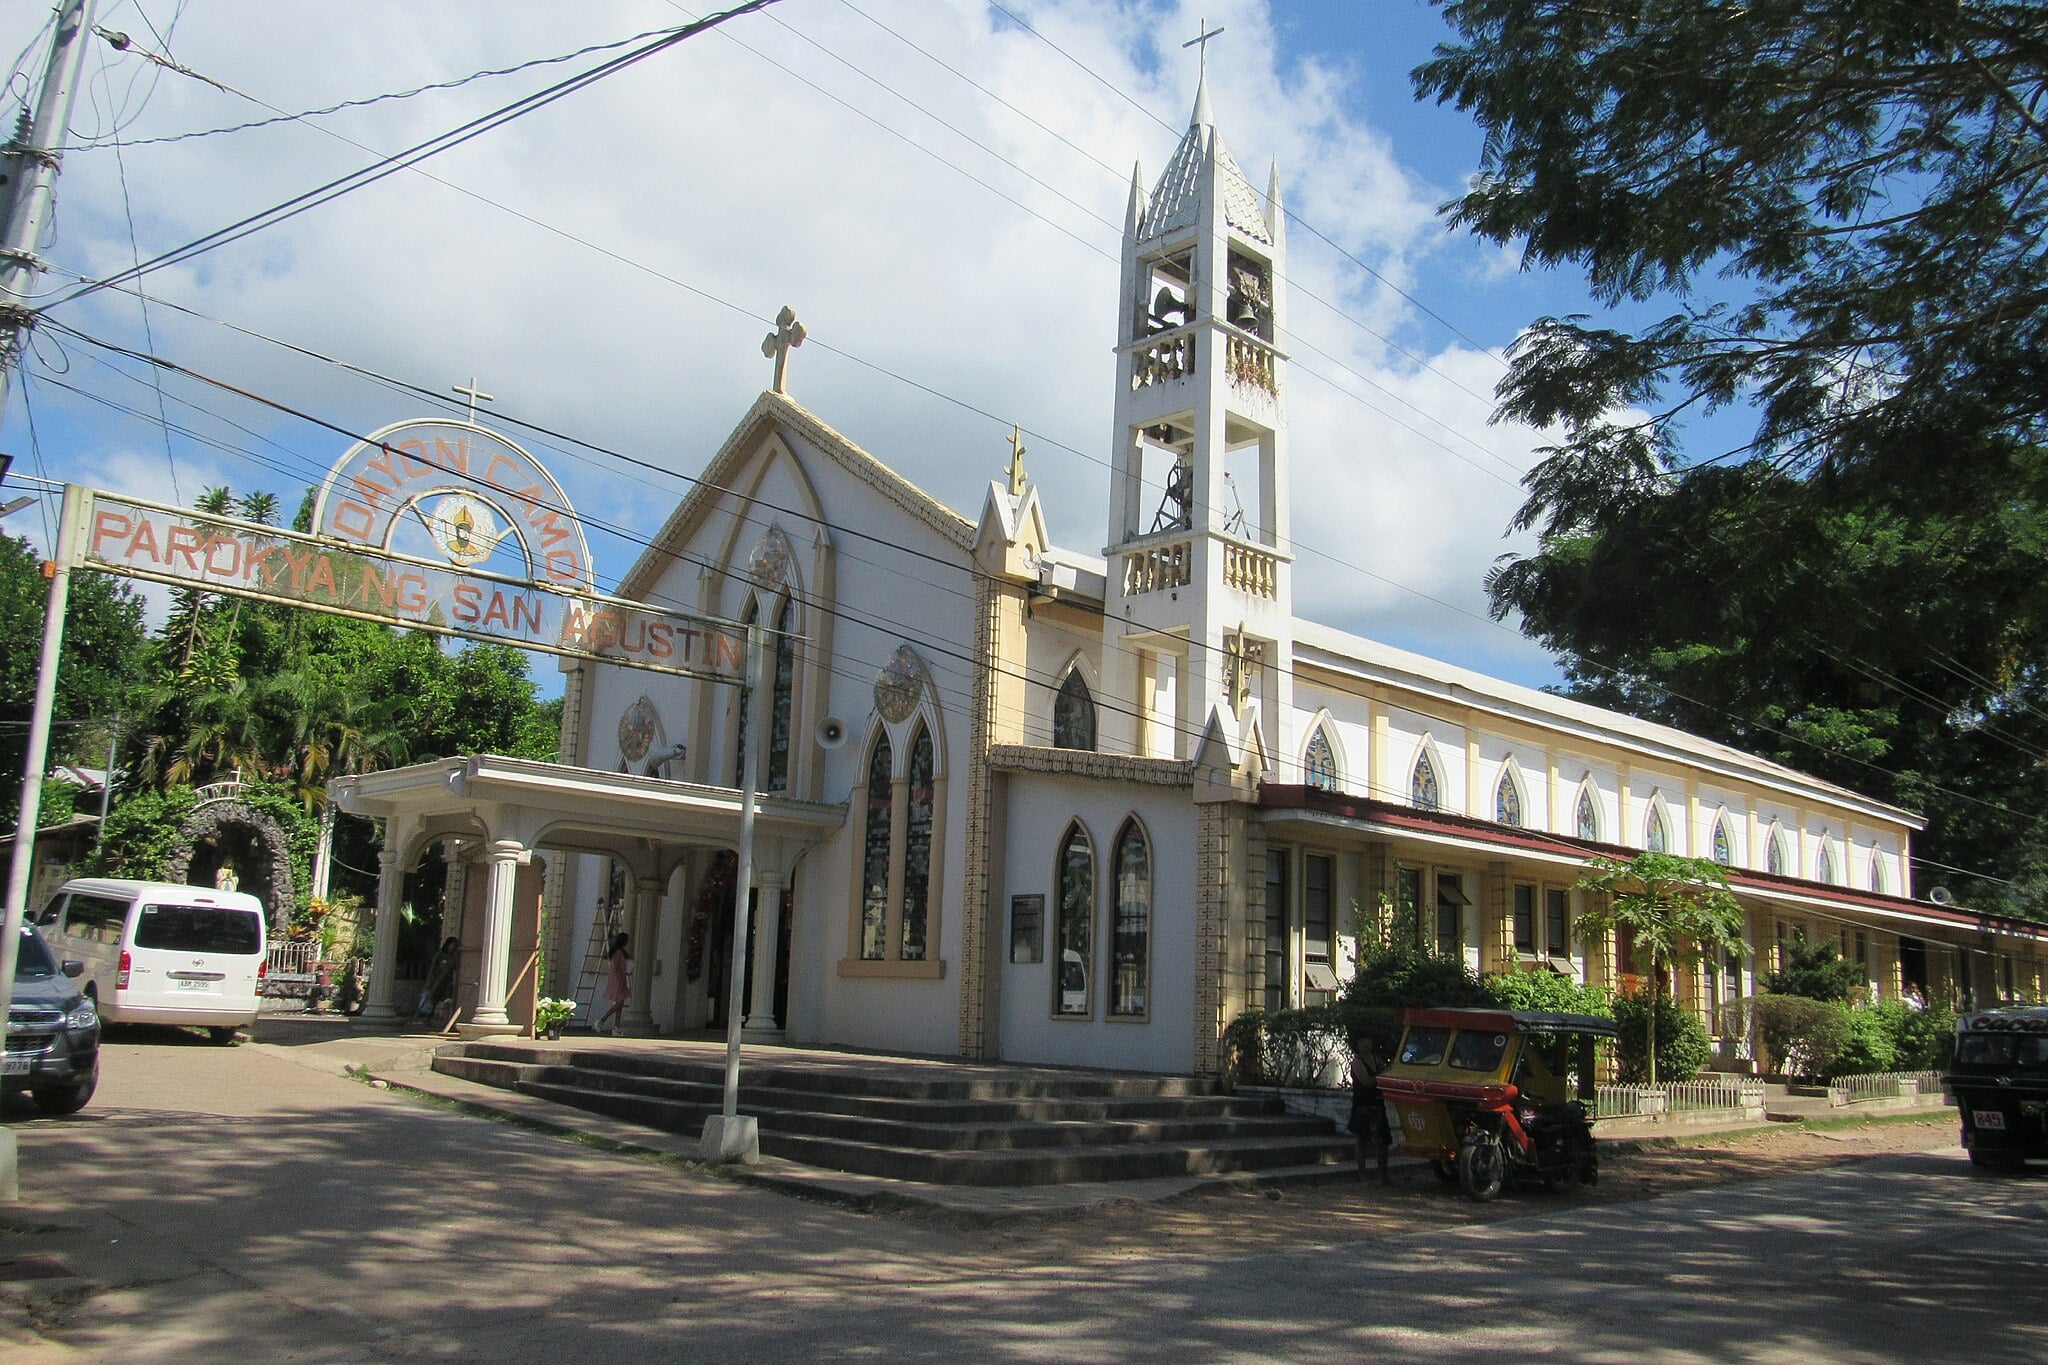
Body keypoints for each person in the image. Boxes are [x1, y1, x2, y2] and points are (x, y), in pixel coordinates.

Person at [1349, 1030, 1393, 1186]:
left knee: (1383, 1141)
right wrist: (1381, 1077)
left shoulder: (1376, 1058)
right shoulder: (1357, 1061)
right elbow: (1366, 1081)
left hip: (1377, 1102)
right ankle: (1363, 1176)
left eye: (1368, 1040)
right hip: (1362, 1104)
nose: (1366, 1043)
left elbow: (1386, 1072)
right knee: (1361, 1139)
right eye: (1362, 1041)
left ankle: (1384, 1175)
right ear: (1357, 1045)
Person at [415, 936, 460, 1025]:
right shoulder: (440, 955)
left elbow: (455, 969)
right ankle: (427, 1018)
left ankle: (446, 1020)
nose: (453, 947)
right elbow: (433, 967)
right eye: (453, 945)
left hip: (447, 981)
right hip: (436, 980)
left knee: (447, 1000)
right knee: (433, 1000)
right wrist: (429, 980)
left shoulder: (453, 958)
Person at [595, 932, 630, 1034]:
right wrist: (620, 981)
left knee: (620, 1003)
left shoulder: (618, 952)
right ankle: (602, 1020)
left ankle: (617, 1027)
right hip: (617, 978)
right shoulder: (618, 952)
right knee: (619, 1003)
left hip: (620, 977)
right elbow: (616, 967)